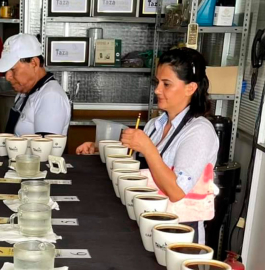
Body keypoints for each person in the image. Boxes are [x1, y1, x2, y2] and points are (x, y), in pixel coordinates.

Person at [76, 48, 219, 244]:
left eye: (166, 84)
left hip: (179, 233)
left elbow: (177, 191)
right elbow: (135, 165)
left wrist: (148, 148)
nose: (157, 90)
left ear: (190, 88)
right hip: (149, 223)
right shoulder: (155, 125)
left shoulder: (199, 131)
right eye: (157, 83)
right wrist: (99, 148)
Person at [0, 34, 71, 148]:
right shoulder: (24, 93)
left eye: (12, 69)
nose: (8, 77)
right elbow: (17, 137)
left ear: (34, 63)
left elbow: (43, 153)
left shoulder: (51, 97)